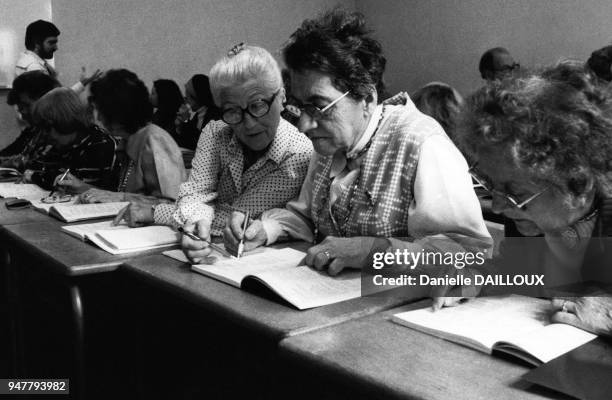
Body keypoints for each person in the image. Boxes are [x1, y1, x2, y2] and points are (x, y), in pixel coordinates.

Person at [220, 10, 490, 274]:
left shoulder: (422, 143)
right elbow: (307, 217)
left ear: (366, 98)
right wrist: (266, 229)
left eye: (319, 106)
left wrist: (371, 251)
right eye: (300, 107)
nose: (304, 125)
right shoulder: (331, 141)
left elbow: (471, 252)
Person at [437, 61, 612, 336]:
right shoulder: (531, 222)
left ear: (580, 185)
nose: (496, 205)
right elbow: (517, 267)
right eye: (490, 186)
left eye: (516, 194)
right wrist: (478, 276)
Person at [119, 45, 313, 253]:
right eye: (232, 111)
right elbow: (195, 195)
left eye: (257, 105)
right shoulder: (215, 132)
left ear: (282, 97)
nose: (248, 124)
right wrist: (196, 225)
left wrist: (159, 212)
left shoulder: (298, 152)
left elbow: (234, 219)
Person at [61, 69, 186, 203]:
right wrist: (84, 188)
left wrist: (120, 197)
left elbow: (173, 204)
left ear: (118, 112)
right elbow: (127, 195)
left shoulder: (154, 140)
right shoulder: (129, 140)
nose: (99, 118)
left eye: (101, 110)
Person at [28, 87, 116, 190]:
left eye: (47, 129)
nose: (44, 135)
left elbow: (73, 187)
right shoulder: (64, 145)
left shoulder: (100, 145)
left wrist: (36, 177)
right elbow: (42, 171)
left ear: (63, 123)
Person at [15, 20, 99, 92]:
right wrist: (82, 84)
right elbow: (54, 104)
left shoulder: (31, 61)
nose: (56, 47)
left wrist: (82, 83)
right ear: (37, 43)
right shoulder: (34, 68)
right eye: (51, 42)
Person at [2, 71, 60, 163]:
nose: (22, 112)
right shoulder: (33, 130)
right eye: (20, 107)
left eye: (26, 105)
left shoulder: (60, 135)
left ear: (47, 101)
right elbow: (6, 154)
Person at [173, 74, 219, 150]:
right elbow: (185, 142)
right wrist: (179, 127)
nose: (186, 99)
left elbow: (199, 142)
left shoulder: (214, 115)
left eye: (188, 95)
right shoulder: (198, 115)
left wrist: (186, 121)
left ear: (196, 97)